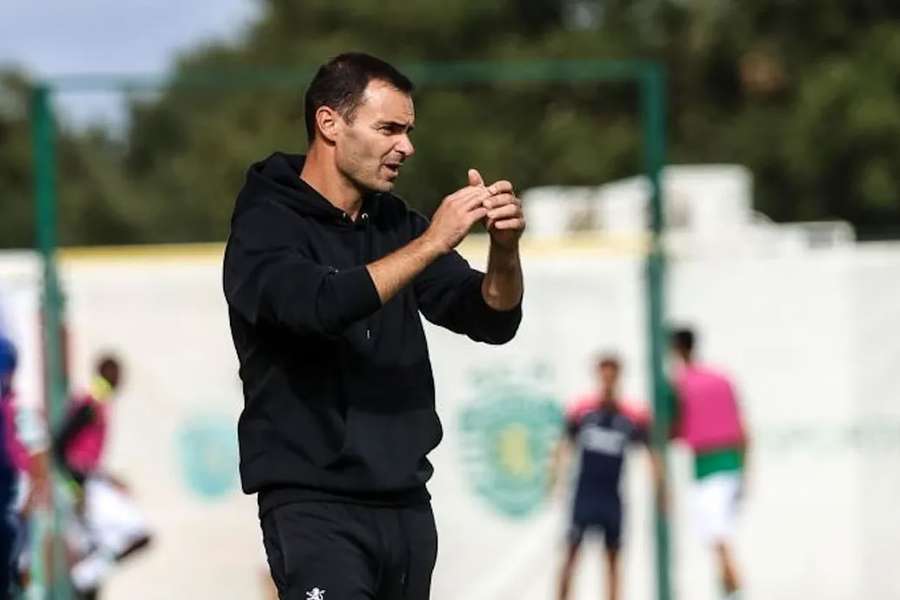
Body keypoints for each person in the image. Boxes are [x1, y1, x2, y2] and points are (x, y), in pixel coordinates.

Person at [223, 52, 524, 600]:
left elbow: (490, 318)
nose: (406, 146)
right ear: (329, 123)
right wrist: (432, 242)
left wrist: (504, 252)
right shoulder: (265, 224)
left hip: (405, 506)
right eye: (388, 129)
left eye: (408, 131)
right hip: (315, 506)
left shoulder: (394, 224)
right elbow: (320, 305)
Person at [550, 355, 661, 600]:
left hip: (611, 497)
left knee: (612, 560)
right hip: (585, 495)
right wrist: (554, 479)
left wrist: (659, 489)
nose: (608, 380)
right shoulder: (583, 410)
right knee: (571, 555)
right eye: (604, 375)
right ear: (598, 375)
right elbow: (564, 445)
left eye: (613, 375)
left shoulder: (630, 415)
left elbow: (650, 451)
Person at [53, 356, 151, 599]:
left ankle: (90, 574)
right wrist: (76, 485)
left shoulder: (99, 401)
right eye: (117, 374)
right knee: (137, 533)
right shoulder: (93, 402)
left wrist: (108, 478)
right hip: (84, 486)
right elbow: (61, 444)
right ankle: (86, 575)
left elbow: (83, 451)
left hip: (88, 482)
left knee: (94, 549)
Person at [670, 328, 748, 600]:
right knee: (717, 541)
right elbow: (743, 429)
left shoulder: (681, 384)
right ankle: (728, 592)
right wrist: (744, 472)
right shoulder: (720, 378)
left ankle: (736, 593)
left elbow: (672, 428)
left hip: (710, 469)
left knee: (719, 540)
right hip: (728, 468)